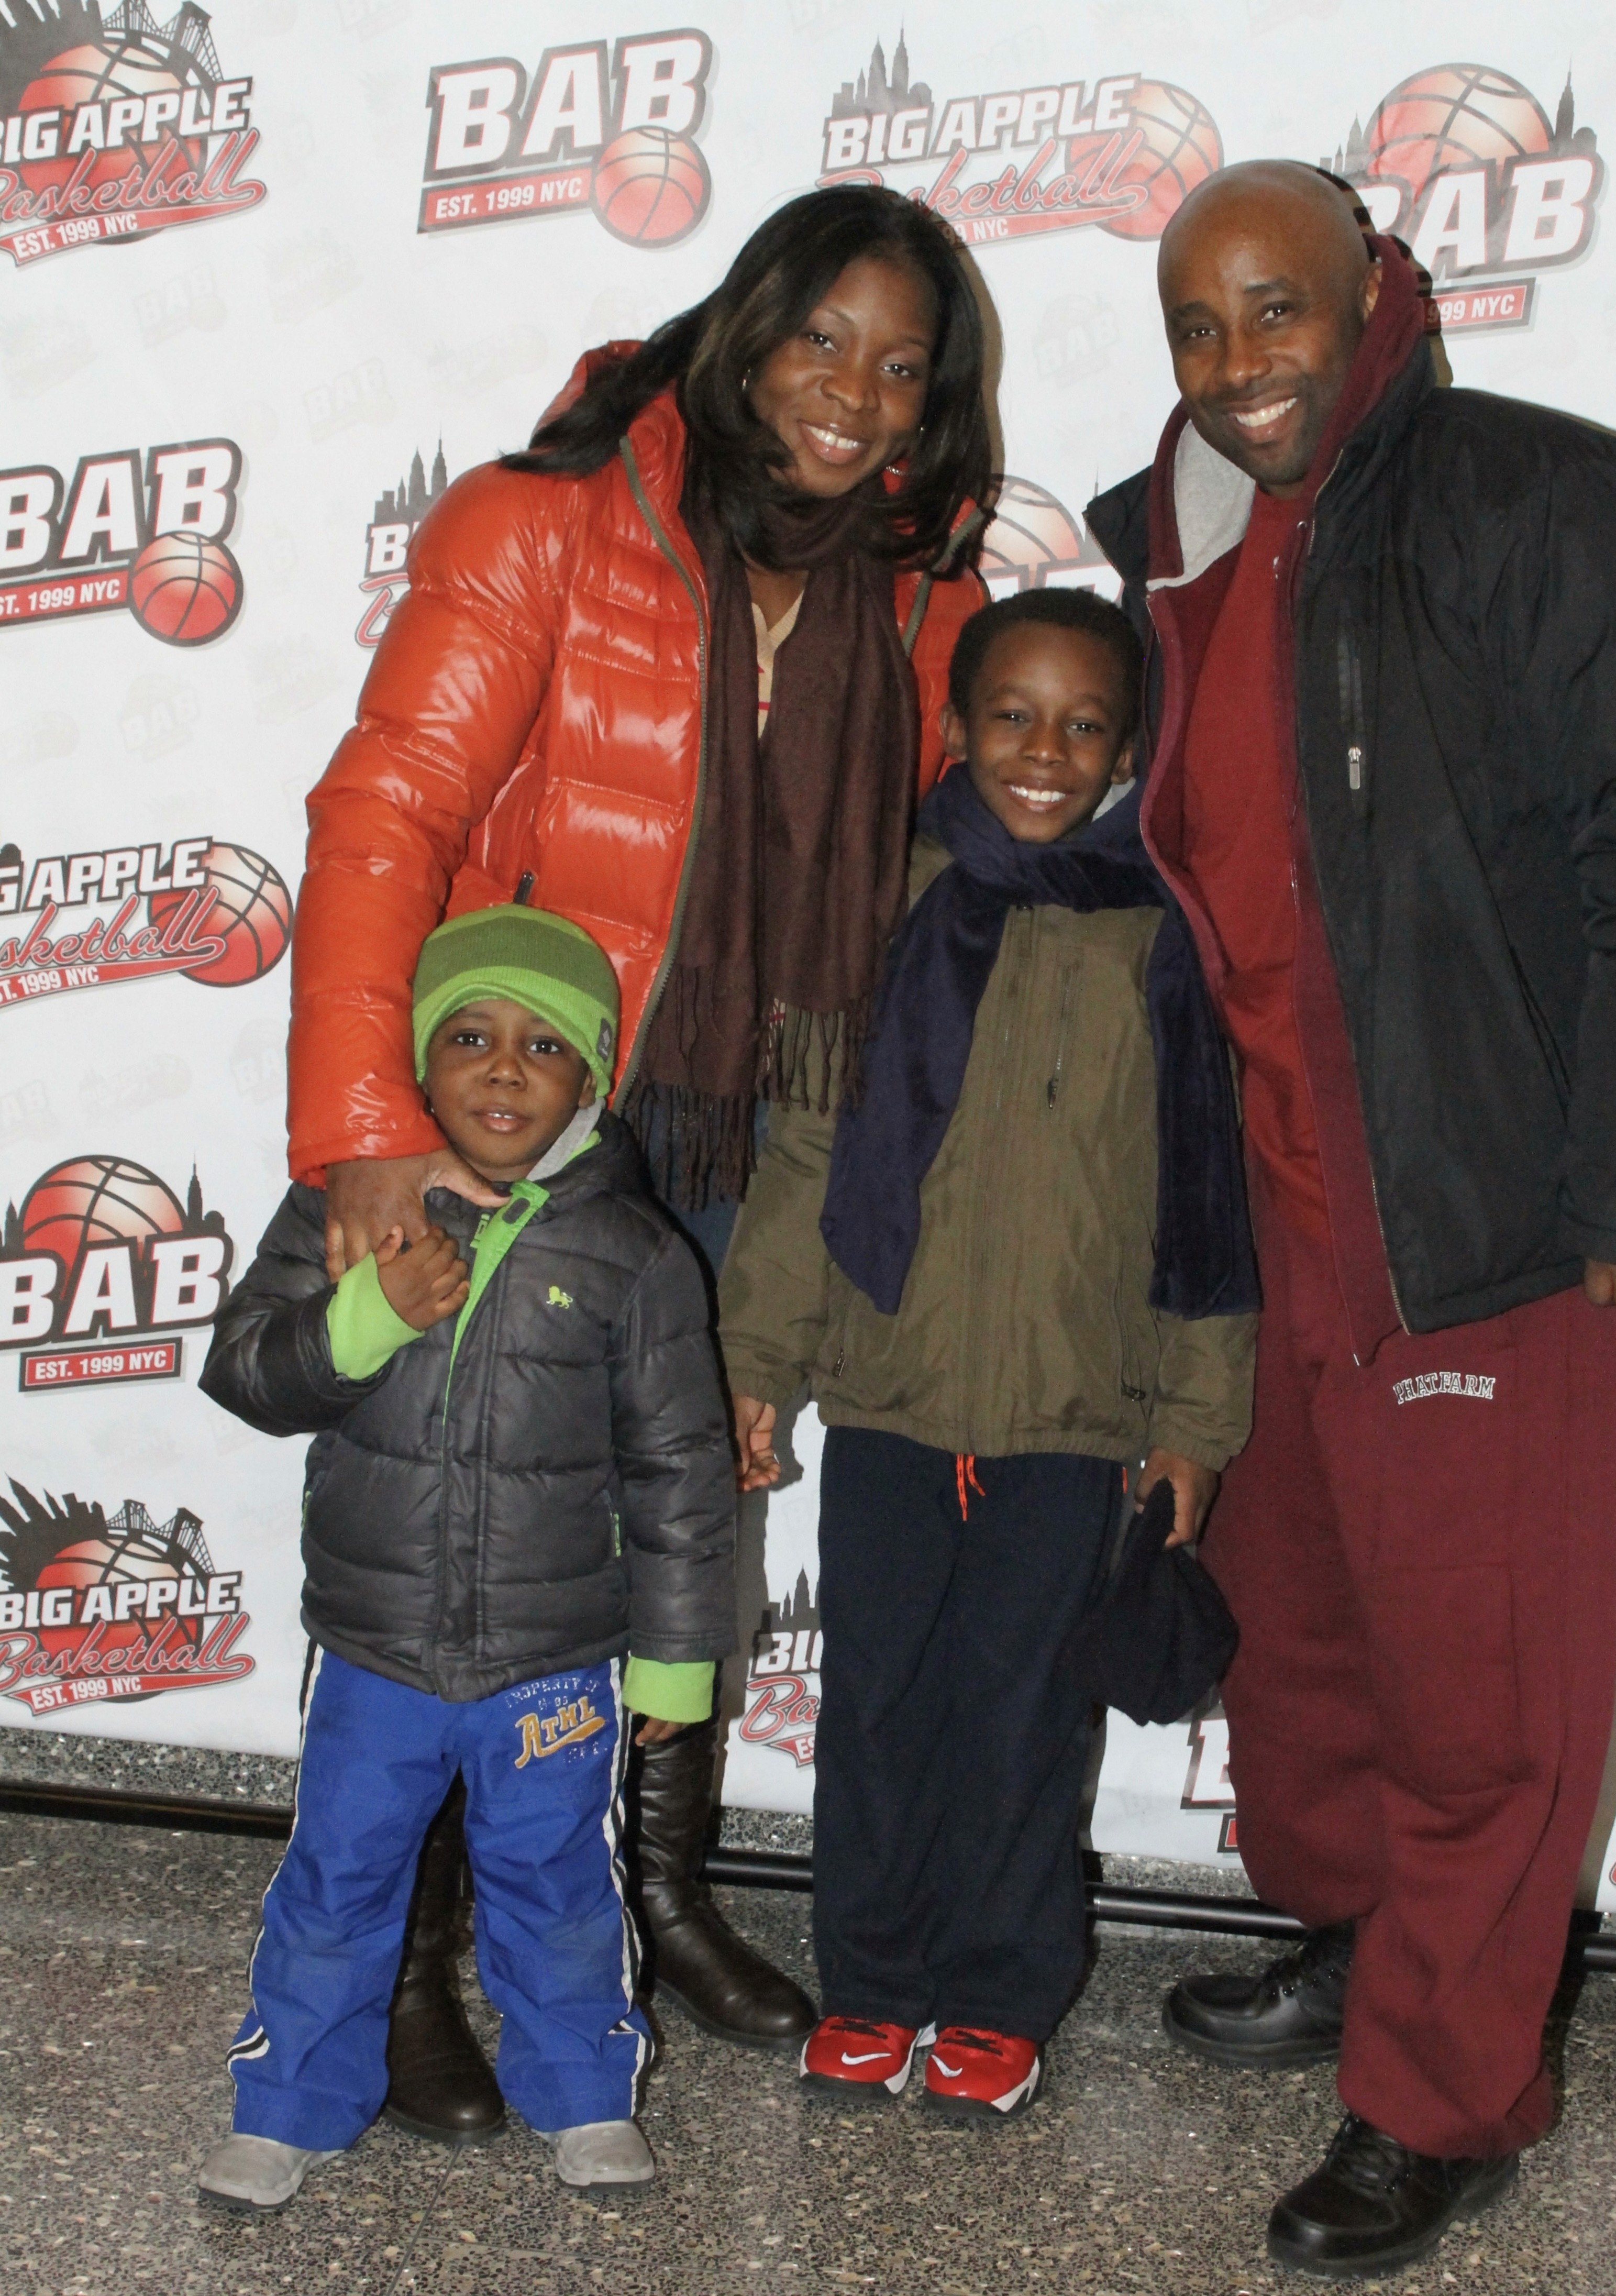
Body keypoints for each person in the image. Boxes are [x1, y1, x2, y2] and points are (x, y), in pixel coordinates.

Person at [1086, 161, 1616, 2277]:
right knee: (1302, 1637)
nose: (1238, 368)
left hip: (1498, 1214)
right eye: (1199, 328)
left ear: (1375, 295)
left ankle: (1445, 2092)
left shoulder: (1555, 501)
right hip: (1267, 1200)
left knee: (1481, 1686)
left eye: (1276, 313)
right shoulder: (1164, 554)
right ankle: (1358, 1942)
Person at [284, 184, 993, 2126]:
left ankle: (654, 1884)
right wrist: (364, 1133)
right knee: (476, 1557)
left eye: (899, 365)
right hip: (517, 1128)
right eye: (821, 339)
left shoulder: (926, 606)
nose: (851, 393)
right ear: (747, 327)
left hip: (755, 1138)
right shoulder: (542, 524)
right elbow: (387, 815)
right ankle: (423, 1956)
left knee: (691, 1525)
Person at [716, 590, 1259, 2120]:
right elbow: (811, 1145)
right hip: (890, 1387)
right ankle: (875, 1978)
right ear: (954, 726)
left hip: (1077, 1413)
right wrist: (756, 1354)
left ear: (1127, 745)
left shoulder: (1165, 927)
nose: (1045, 749)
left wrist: (1196, 1427)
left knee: (1028, 1710)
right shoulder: (881, 904)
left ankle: (1001, 1993)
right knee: (876, 1699)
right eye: (1012, 714)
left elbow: (1207, 1198)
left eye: (1085, 724)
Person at [195, 904, 738, 2211]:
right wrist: (364, 1315)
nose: (505, 1066)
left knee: (557, 1891)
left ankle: (585, 2094)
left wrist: (675, 1655)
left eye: (545, 1043)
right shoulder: (349, 1202)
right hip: (375, 1642)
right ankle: (287, 2103)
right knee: (336, 1881)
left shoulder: (637, 1252)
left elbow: (680, 1467)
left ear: (593, 1078)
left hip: (555, 1660)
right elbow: (245, 1373)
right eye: (472, 1035)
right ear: (418, 1063)